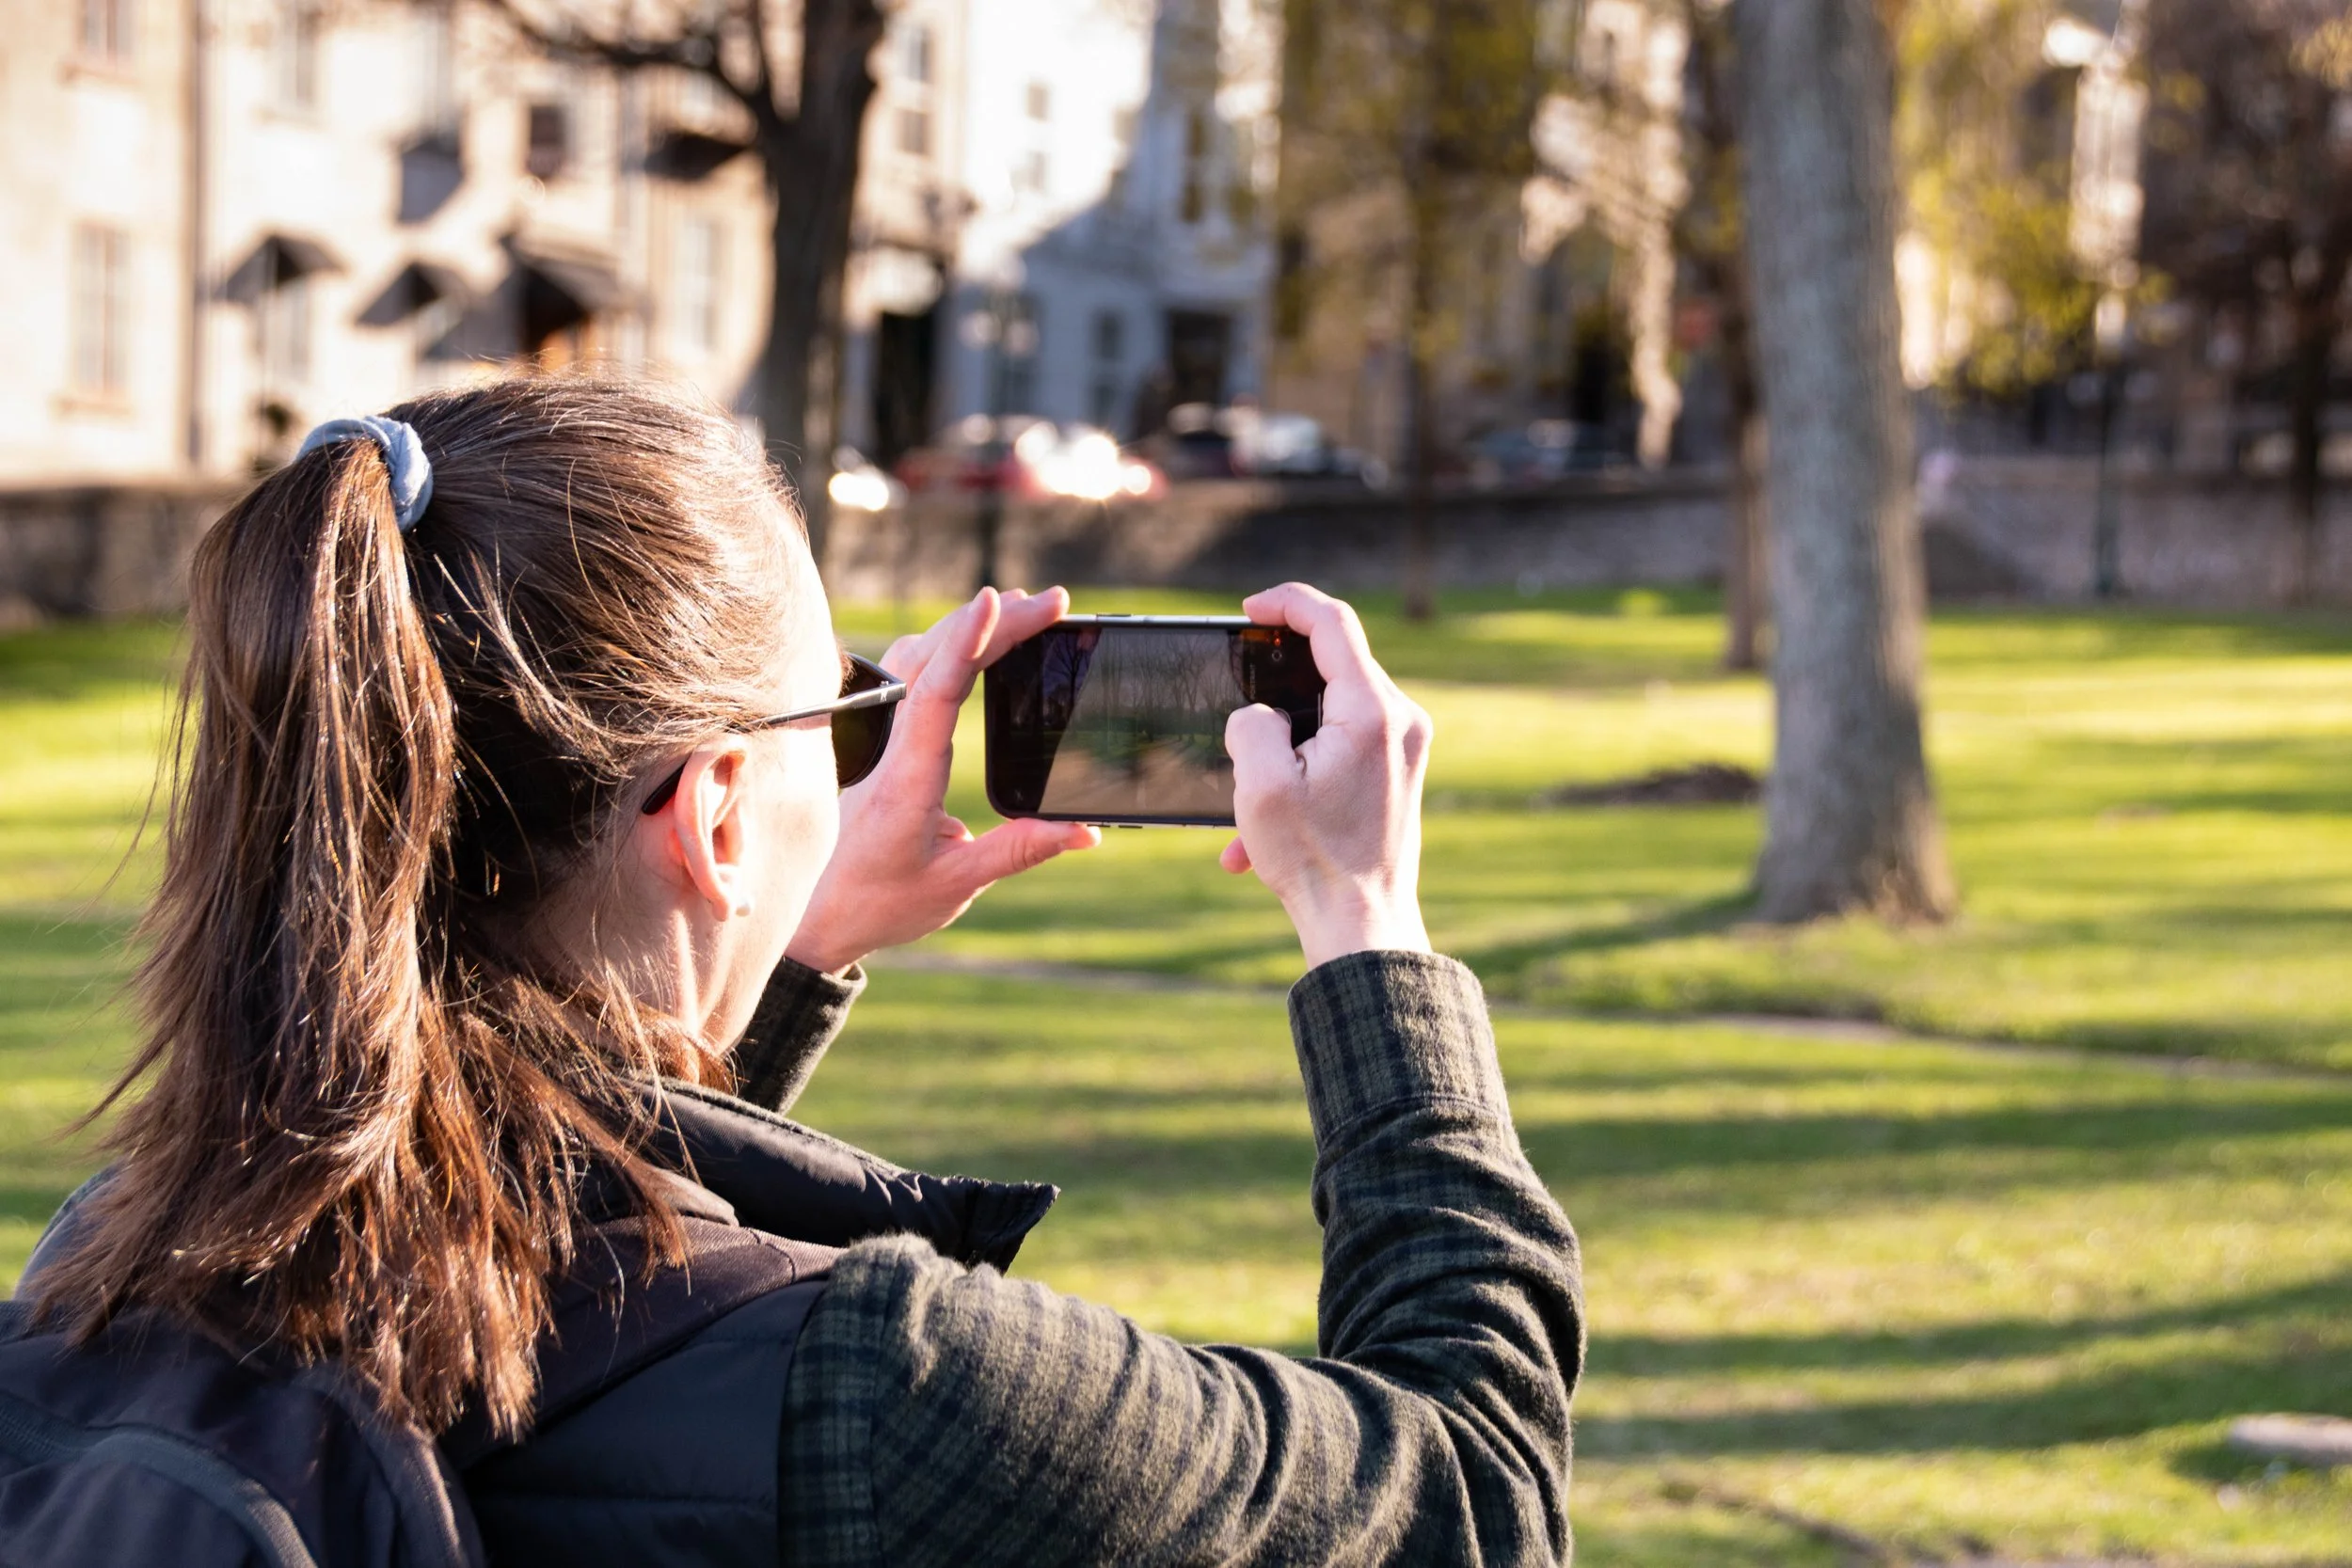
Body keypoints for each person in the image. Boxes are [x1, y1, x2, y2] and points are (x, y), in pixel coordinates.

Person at [21, 376, 1583, 1564]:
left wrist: (782, 939)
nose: (863, 747)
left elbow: (576, 1295)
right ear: (709, 808)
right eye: (833, 714)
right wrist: (1368, 925)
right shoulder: (888, 1390)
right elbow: (1472, 1488)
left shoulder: (124, 1256)